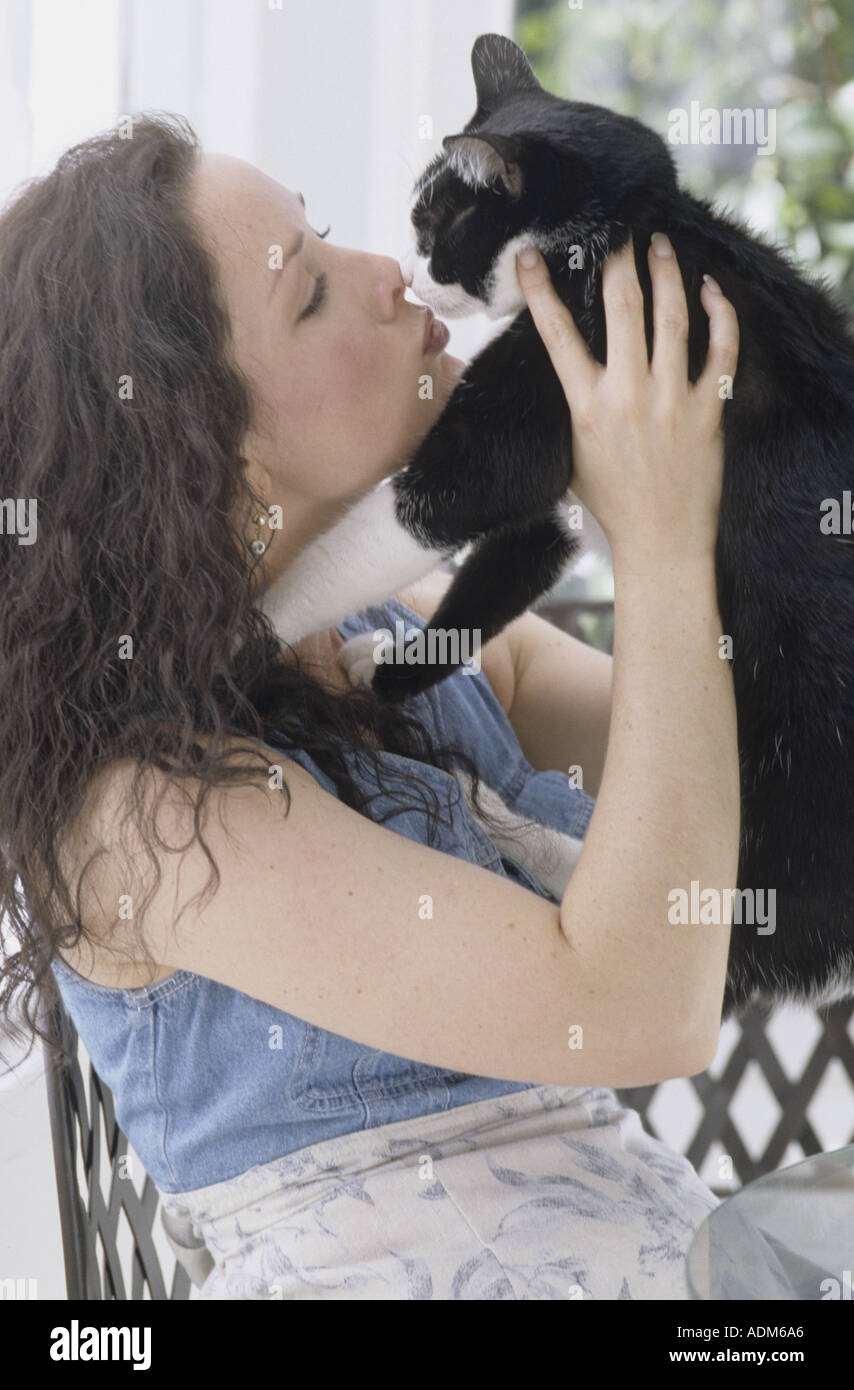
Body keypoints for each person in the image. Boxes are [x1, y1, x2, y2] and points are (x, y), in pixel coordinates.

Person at [0, 113, 740, 1300]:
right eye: (310, 293)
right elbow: (639, 1003)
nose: (388, 272)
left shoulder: (409, 636)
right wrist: (655, 538)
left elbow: (750, 749)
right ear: (218, 457)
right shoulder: (138, 812)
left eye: (331, 236)